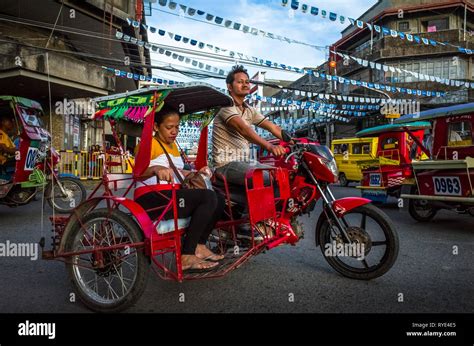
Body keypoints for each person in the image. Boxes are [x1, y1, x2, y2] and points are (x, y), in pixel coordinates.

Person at [135, 105, 226, 272]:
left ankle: (199, 245)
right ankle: (186, 255)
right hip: (151, 198)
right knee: (208, 198)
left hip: (172, 194)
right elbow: (138, 173)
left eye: (177, 127)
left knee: (219, 198)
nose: (174, 131)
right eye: (169, 127)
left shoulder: (173, 145)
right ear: (156, 126)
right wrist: (155, 169)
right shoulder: (148, 144)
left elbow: (176, 169)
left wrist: (194, 173)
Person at [211, 65, 287, 241]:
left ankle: (266, 218)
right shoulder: (225, 105)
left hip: (243, 164)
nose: (245, 85)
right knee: (265, 175)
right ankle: (248, 224)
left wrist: (292, 140)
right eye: (240, 82)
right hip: (226, 164)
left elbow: (272, 126)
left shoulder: (249, 110)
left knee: (280, 175)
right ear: (229, 86)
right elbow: (244, 130)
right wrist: (269, 146)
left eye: (247, 82)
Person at [0, 115, 17, 182]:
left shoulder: (5, 135)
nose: (12, 123)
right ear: (3, 122)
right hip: (3, 162)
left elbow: (13, 148)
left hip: (8, 160)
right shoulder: (0, 134)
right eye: (9, 121)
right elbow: (5, 149)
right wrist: (19, 151)